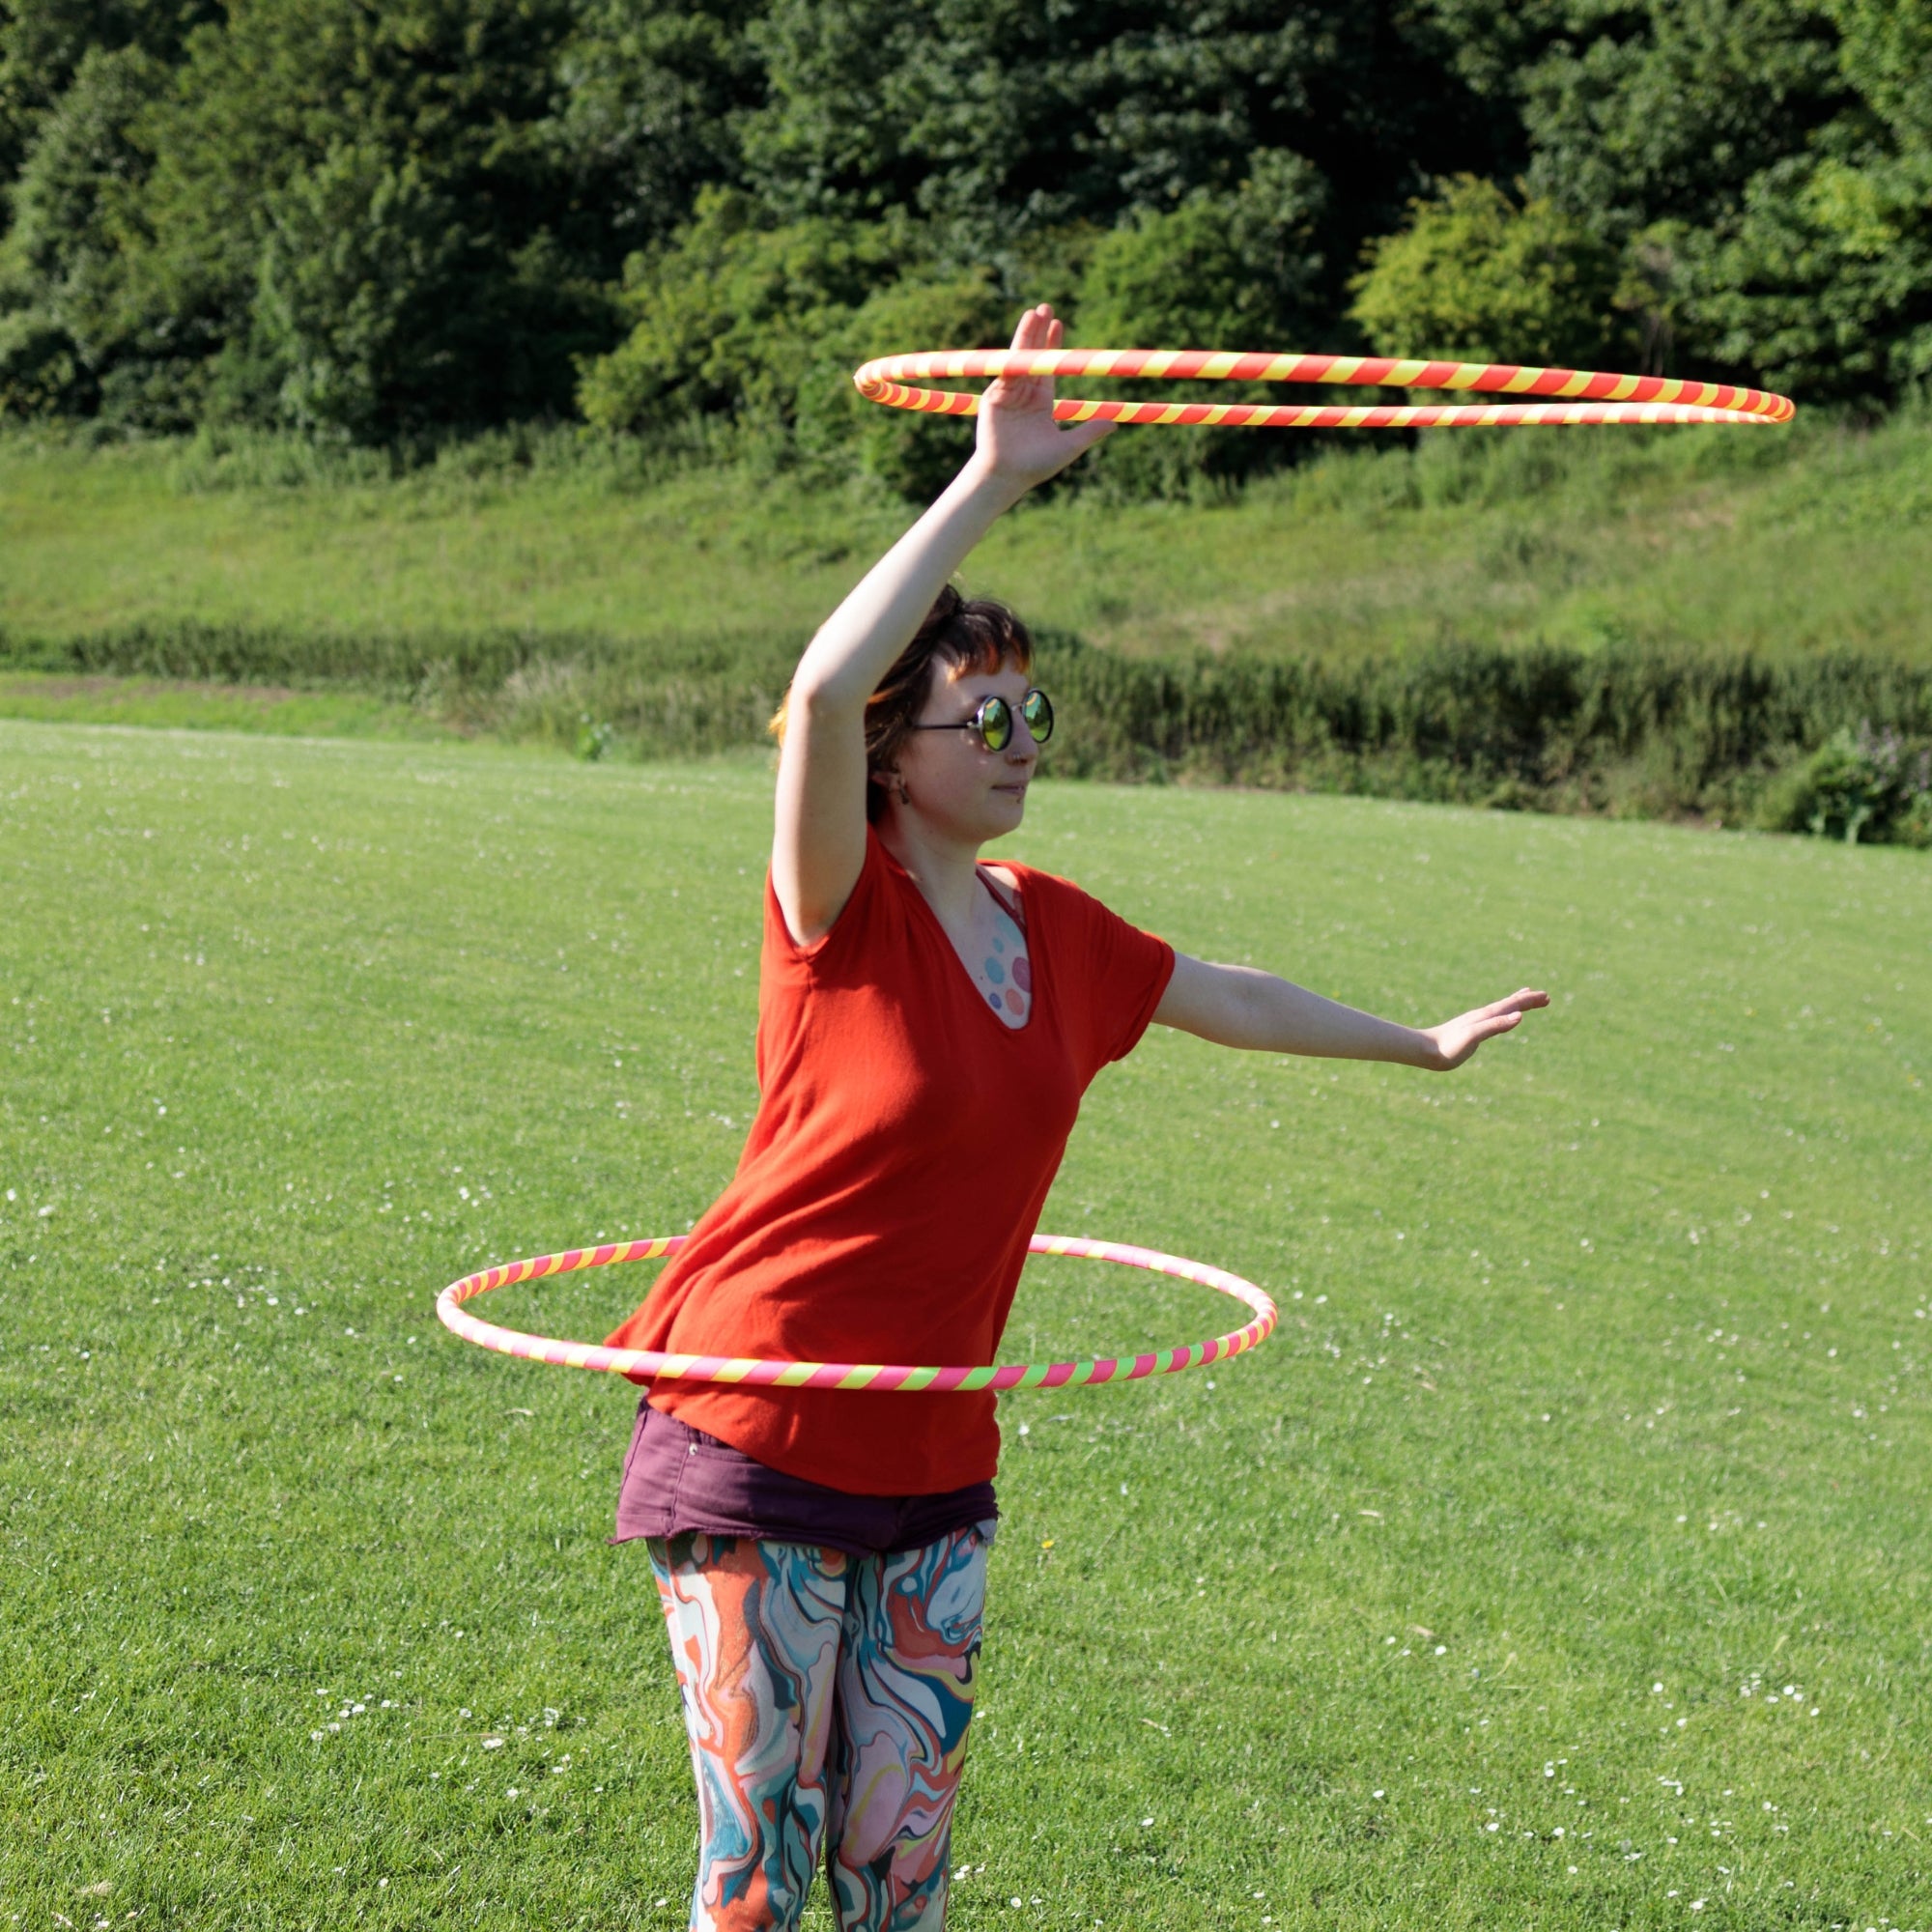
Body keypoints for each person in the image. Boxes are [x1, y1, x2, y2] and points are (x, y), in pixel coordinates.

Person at [607, 302, 1548, 1932]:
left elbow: (1226, 991)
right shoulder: (838, 912)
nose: (1020, 741)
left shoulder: (1049, 928)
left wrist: (1421, 1045)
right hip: (753, 1433)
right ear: (898, 758)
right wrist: (989, 481)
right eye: (986, 718)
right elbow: (821, 691)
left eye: (1034, 713)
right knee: (756, 1883)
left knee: (899, 1877)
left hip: (933, 1458)